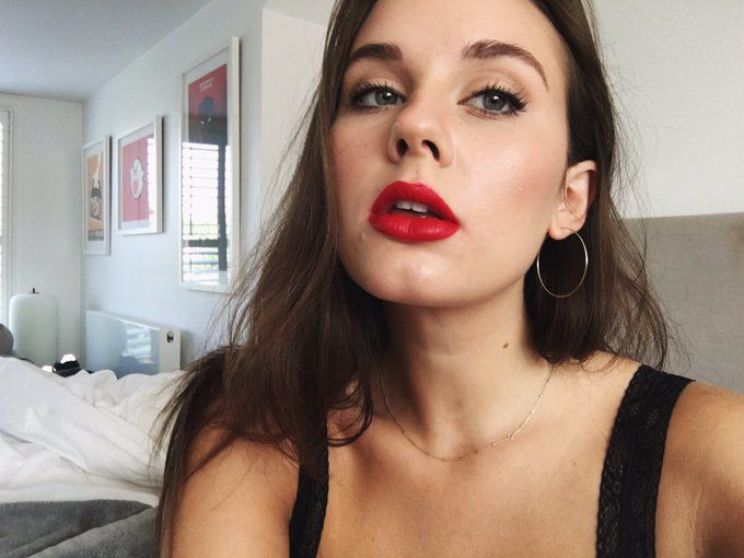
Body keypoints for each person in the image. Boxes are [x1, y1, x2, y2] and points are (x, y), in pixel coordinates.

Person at [154, 0, 744, 556]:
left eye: (493, 98)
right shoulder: (250, 419)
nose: (413, 123)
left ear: (570, 198)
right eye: (377, 92)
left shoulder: (718, 454)